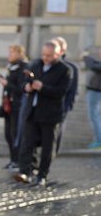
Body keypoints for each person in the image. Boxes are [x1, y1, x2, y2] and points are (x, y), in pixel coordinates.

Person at [15, 40, 72, 186]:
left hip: (50, 114)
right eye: (44, 55)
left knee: (47, 146)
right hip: (32, 111)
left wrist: (43, 87)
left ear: (57, 54)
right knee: (27, 144)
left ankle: (42, 174)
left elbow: (61, 92)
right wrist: (27, 87)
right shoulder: (35, 64)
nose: (46, 58)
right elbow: (24, 83)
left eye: (49, 55)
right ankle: (25, 171)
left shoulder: (64, 70)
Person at [0, 44, 28, 170]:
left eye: (12, 53)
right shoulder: (11, 68)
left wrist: (6, 83)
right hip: (8, 105)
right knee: (8, 134)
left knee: (16, 134)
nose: (9, 55)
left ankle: (18, 160)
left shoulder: (23, 68)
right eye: (9, 53)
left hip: (18, 106)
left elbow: (20, 89)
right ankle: (13, 159)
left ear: (20, 54)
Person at [83, 46, 101, 149]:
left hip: (96, 92)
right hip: (94, 91)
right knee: (95, 116)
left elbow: (92, 65)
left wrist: (86, 57)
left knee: (94, 116)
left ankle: (99, 140)